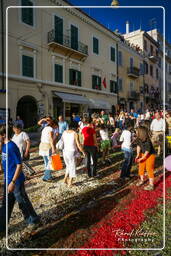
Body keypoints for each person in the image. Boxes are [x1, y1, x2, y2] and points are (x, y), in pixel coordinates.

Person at [0, 126, 40, 234]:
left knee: (23, 202)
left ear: (3, 135)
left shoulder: (12, 147)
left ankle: (34, 221)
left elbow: (19, 164)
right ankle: (2, 226)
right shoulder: (3, 146)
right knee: (6, 204)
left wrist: (13, 182)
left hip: (16, 181)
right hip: (8, 180)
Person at [62, 121, 85, 187]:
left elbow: (64, 142)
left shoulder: (64, 132)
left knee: (68, 165)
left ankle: (65, 179)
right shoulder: (75, 133)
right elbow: (78, 145)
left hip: (65, 151)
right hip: (72, 152)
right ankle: (70, 182)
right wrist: (83, 152)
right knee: (72, 166)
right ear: (75, 127)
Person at [135, 126, 156, 191]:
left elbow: (147, 152)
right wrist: (138, 154)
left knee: (149, 168)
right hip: (142, 153)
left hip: (150, 155)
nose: (135, 132)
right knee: (141, 167)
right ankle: (141, 180)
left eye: (136, 131)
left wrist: (141, 159)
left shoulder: (147, 141)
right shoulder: (138, 139)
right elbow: (138, 146)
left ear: (141, 132)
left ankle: (151, 185)